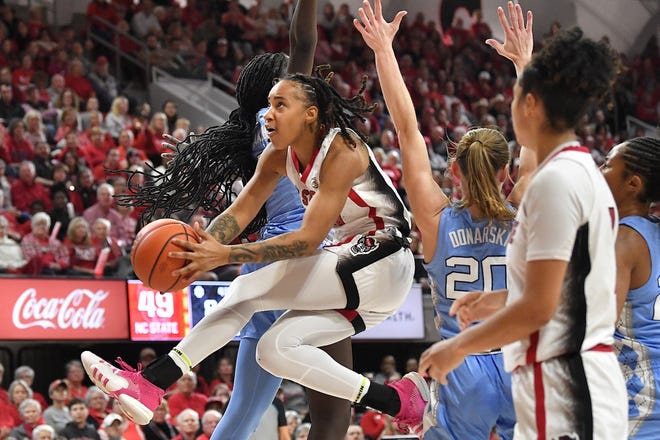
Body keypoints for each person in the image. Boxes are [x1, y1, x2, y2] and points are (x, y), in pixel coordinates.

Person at [82, 47, 427, 438]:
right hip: (354, 274)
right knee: (273, 350)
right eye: (268, 105)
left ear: (310, 114)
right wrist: (198, 252)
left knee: (249, 288)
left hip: (383, 258)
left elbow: (308, 239)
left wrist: (224, 254)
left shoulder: (342, 150)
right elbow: (240, 212)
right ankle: (399, 402)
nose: (269, 115)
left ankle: (153, 382)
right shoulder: (278, 156)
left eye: (280, 105)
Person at [110, 2, 355, 439]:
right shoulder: (278, 122)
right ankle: (153, 380)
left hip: (301, 259)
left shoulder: (264, 131)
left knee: (249, 410)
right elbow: (304, 42)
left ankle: (152, 381)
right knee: (331, 414)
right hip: (293, 255)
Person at [417, 2, 627, 439]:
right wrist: (495, 299)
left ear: (530, 104)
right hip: (568, 377)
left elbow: (539, 306)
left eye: (515, 97)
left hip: (565, 383)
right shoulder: (578, 171)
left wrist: (457, 346)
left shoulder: (555, 182)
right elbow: (567, 284)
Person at [353, 1, 535, 438]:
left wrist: (383, 50)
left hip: (462, 361)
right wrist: (524, 64)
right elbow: (536, 133)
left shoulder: (436, 219)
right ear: (507, 172)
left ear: (452, 169)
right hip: (519, 361)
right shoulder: (525, 206)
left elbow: (407, 129)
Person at [602, 137, 660, 439]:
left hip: (640, 403)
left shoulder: (623, 241)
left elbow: (595, 325)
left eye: (608, 164)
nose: (600, 169)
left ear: (633, 183)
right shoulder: (652, 232)